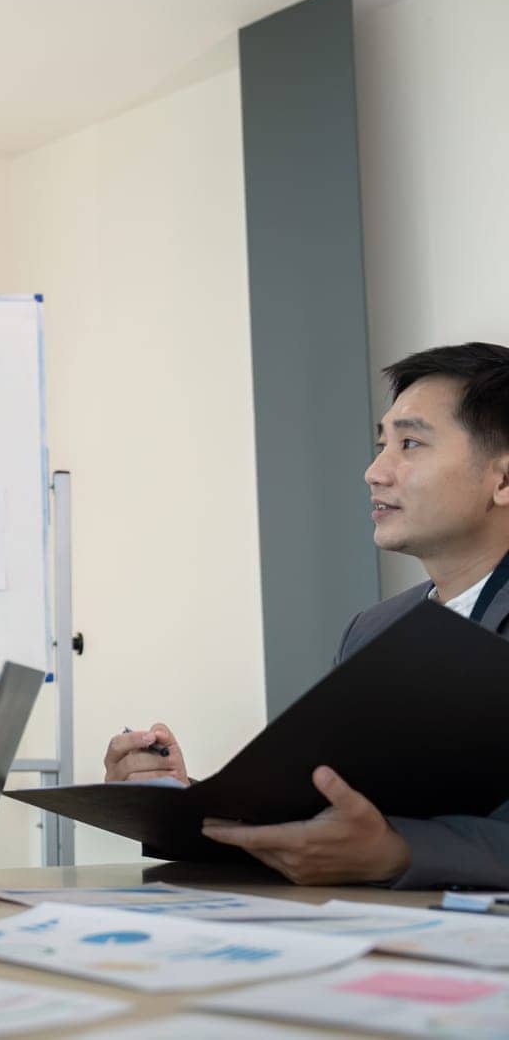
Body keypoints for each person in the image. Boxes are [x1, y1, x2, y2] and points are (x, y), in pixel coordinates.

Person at [106, 342, 509, 888]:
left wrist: (400, 853)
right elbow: (329, 820)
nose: (374, 471)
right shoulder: (375, 630)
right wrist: (175, 802)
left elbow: (389, 840)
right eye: (380, 444)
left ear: (502, 480)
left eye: (410, 443)